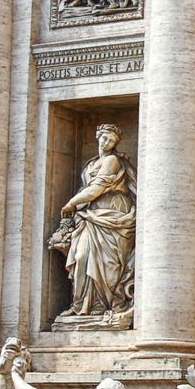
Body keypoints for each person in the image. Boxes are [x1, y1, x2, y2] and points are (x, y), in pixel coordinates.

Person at [52, 124, 137, 323]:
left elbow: (97, 188)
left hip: (112, 213)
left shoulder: (112, 161)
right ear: (98, 137)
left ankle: (101, 305)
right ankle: (81, 305)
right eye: (104, 138)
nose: (107, 143)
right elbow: (88, 189)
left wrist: (72, 203)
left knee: (108, 263)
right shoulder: (91, 163)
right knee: (82, 256)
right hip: (90, 214)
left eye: (112, 141)